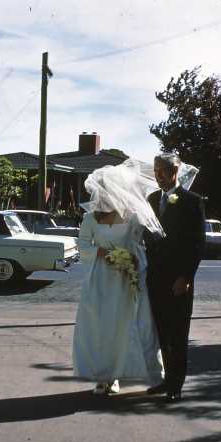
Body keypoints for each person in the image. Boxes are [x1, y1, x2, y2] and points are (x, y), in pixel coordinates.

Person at [72, 160, 164, 395]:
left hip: (126, 279)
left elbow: (139, 245)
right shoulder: (91, 218)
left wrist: (131, 259)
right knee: (101, 327)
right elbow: (82, 244)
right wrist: (102, 253)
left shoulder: (132, 216)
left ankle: (130, 374)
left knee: (126, 326)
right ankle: (104, 376)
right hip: (100, 279)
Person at [145, 153, 205, 403]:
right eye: (155, 170)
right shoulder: (151, 199)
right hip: (154, 278)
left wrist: (186, 276)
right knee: (161, 332)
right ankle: (166, 379)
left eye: (162, 170)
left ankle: (176, 385)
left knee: (178, 334)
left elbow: (197, 243)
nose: (158, 175)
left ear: (175, 171)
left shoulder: (192, 201)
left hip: (178, 280)